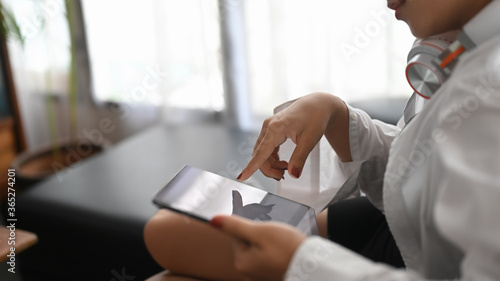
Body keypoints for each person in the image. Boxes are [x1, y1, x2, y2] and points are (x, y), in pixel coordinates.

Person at [144, 0, 500, 280]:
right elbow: (426, 166)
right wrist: (336, 114)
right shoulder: (463, 44)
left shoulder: (488, 92)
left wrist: (302, 266)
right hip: (410, 230)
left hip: (426, 259)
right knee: (165, 232)